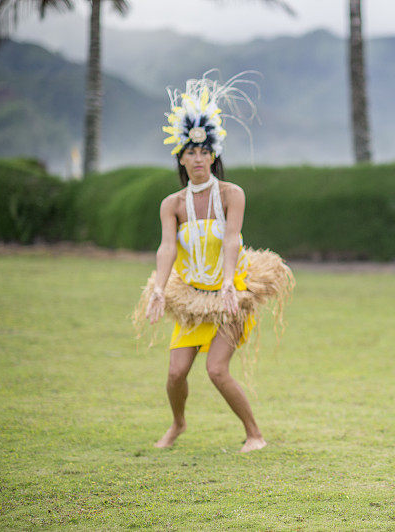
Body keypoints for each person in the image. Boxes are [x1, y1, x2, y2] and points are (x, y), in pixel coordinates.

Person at [139, 74, 293, 452]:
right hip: (192, 297)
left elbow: (231, 239)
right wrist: (159, 289)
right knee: (175, 373)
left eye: (204, 151)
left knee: (216, 370)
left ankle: (254, 434)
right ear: (181, 156)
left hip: (230, 296)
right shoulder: (172, 205)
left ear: (214, 155)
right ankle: (178, 424)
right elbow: (166, 250)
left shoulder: (231, 194)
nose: (198, 159)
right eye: (191, 152)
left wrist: (227, 282)